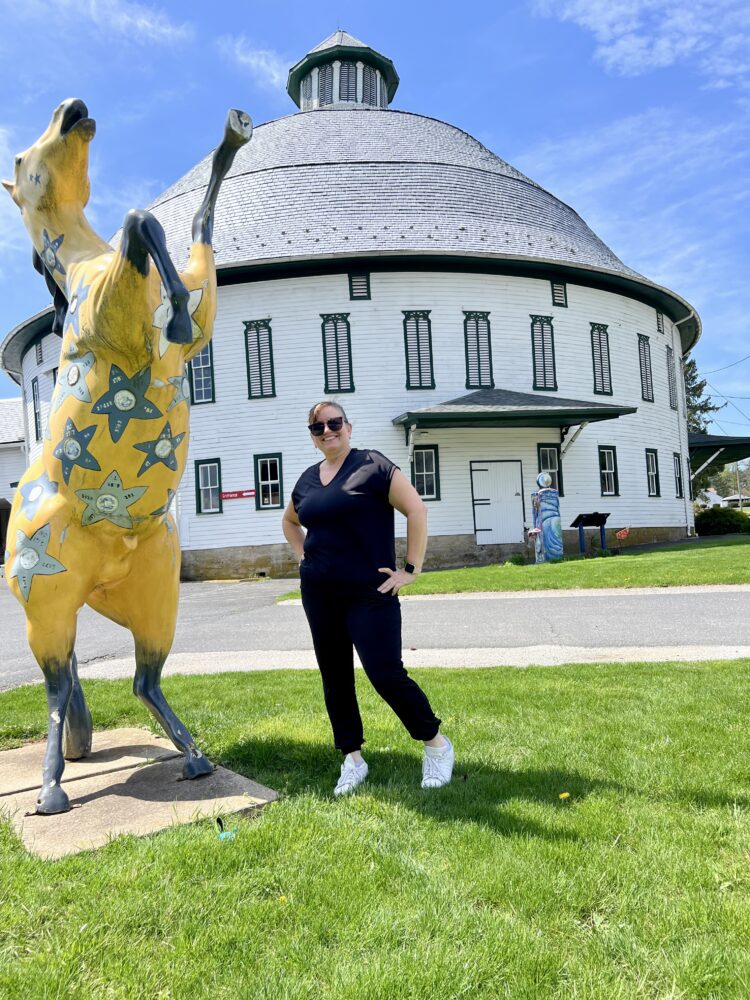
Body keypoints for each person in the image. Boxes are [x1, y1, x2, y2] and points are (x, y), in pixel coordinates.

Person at [282, 401, 454, 796]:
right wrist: (303, 555)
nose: (327, 430)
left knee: (385, 673)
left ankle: (436, 745)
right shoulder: (307, 480)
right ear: (312, 436)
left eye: (334, 423)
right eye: (318, 427)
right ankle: (353, 759)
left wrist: (411, 569)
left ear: (348, 426)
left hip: (370, 593)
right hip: (320, 593)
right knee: (335, 675)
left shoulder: (373, 465)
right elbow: (290, 522)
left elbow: (416, 510)